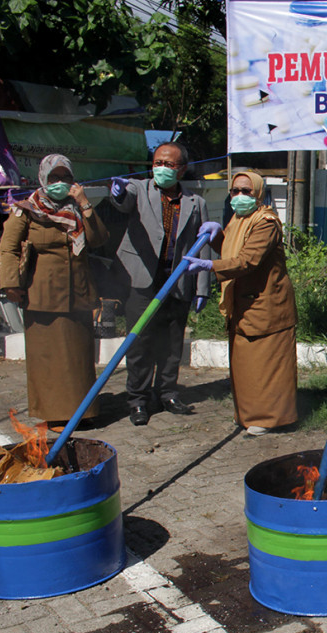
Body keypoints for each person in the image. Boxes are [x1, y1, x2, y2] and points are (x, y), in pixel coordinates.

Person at [184, 171, 298, 437]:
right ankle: (248, 414)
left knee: (268, 366)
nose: (239, 196)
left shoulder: (265, 222)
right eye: (235, 191)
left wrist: (209, 266)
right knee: (247, 366)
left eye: (246, 191)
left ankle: (272, 418)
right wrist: (216, 237)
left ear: (258, 193)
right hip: (244, 303)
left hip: (267, 304)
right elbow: (231, 250)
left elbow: (248, 260)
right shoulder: (238, 219)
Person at [0, 154, 108, 427]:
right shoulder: (26, 209)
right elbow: (9, 248)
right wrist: (11, 285)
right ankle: (54, 415)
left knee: (78, 358)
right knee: (48, 360)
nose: (59, 183)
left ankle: (82, 414)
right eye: (54, 178)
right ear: (43, 179)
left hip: (78, 294)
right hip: (41, 295)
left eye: (65, 177)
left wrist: (85, 204)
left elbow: (98, 240)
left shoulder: (78, 208)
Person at [109, 142, 212, 426]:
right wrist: (117, 192)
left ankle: (167, 393)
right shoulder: (139, 189)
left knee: (171, 343)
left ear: (181, 169)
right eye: (157, 163)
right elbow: (123, 200)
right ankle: (138, 400)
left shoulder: (196, 203)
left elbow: (203, 247)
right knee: (140, 343)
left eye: (169, 164)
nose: (162, 169)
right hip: (144, 280)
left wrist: (202, 287)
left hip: (177, 282)